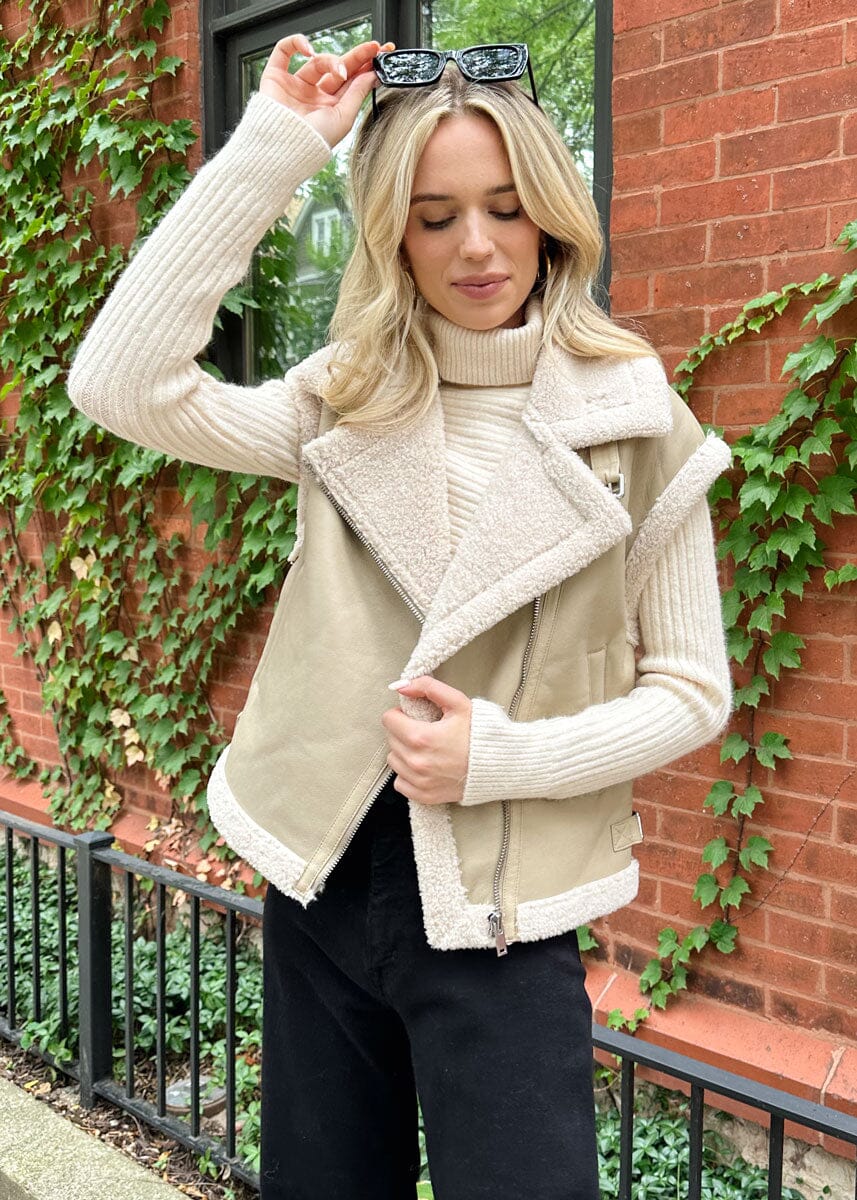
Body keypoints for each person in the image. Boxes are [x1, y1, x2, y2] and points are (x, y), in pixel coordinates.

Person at [68, 34, 732, 1200]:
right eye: (434, 217)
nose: (476, 245)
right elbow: (120, 383)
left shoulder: (636, 421)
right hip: (323, 882)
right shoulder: (345, 401)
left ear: (550, 218)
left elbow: (690, 690)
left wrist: (499, 757)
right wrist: (277, 147)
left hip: (504, 911)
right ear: (393, 234)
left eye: (505, 207)